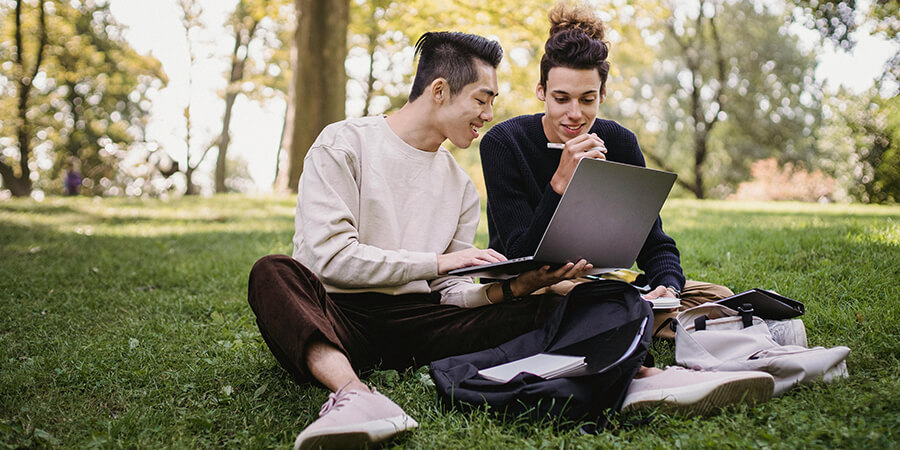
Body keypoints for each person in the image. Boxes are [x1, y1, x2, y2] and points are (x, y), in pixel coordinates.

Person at [248, 30, 772, 450]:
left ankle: (641, 375)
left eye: (493, 101)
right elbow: (329, 258)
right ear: (438, 91)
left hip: (424, 322)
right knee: (273, 272)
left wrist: (513, 288)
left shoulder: (457, 184)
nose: (488, 115)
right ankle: (354, 396)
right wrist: (438, 260)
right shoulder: (344, 144)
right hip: (339, 313)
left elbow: (450, 294)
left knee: (571, 297)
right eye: (481, 99)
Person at [479, 4, 735, 341]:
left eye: (587, 99)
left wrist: (667, 286)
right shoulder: (504, 143)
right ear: (541, 92)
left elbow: (654, 242)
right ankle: (691, 330)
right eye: (561, 99)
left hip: (604, 281)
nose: (574, 114)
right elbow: (517, 256)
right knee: (583, 300)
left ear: (602, 94)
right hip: (537, 289)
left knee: (719, 295)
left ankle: (664, 317)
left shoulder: (621, 143)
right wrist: (560, 183)